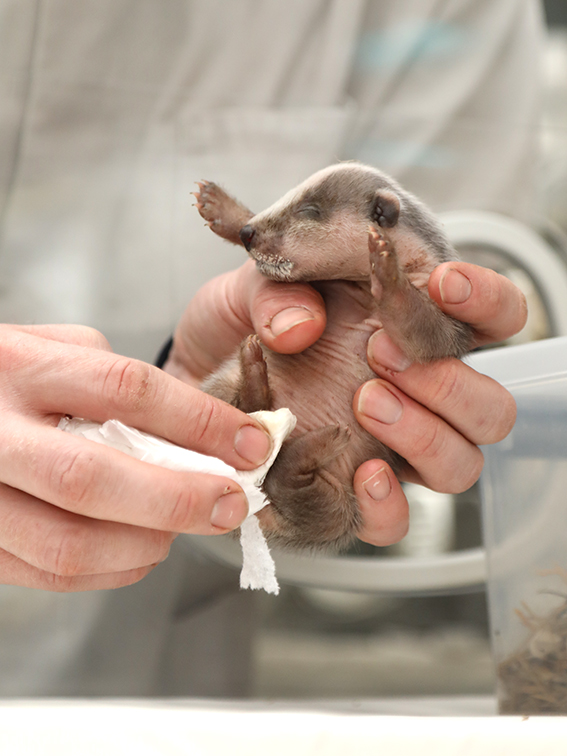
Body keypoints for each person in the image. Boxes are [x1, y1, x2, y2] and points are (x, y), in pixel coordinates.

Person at [0, 0, 543, 695]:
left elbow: (453, 321)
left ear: (381, 223)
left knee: (314, 489)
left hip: (149, 659)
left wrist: (449, 392)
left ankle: (268, 444)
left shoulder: (439, 21)